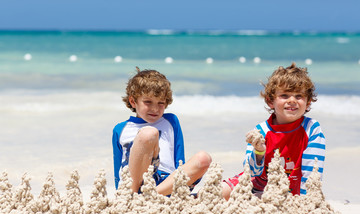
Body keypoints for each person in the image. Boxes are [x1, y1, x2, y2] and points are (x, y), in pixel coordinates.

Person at [222, 62, 326, 200]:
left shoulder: (311, 128)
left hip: (290, 190)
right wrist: (259, 151)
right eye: (284, 95)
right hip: (257, 184)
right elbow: (251, 172)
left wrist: (305, 200)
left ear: (307, 102)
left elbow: (312, 172)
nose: (292, 100)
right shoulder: (261, 131)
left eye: (299, 96)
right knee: (220, 192)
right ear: (270, 101)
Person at [112, 67, 212, 196]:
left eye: (161, 103)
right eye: (148, 102)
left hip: (168, 184)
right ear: (133, 101)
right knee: (148, 134)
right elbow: (117, 170)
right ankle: (133, 197)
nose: (155, 109)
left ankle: (151, 197)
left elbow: (179, 161)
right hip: (137, 185)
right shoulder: (120, 129)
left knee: (203, 158)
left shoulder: (171, 121)